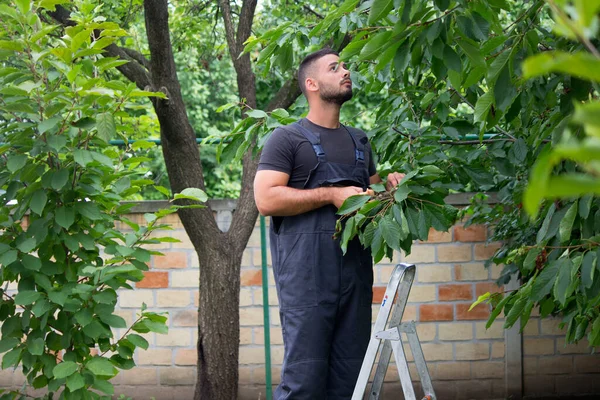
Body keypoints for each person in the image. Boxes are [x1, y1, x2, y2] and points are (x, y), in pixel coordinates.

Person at [254, 48, 404, 400]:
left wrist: (393, 189)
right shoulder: (286, 139)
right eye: (334, 67)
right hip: (306, 282)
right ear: (311, 83)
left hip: (354, 276)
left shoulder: (359, 141)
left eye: (345, 66)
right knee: (304, 383)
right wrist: (328, 195)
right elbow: (266, 200)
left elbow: (372, 199)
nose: (345, 71)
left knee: (349, 381)